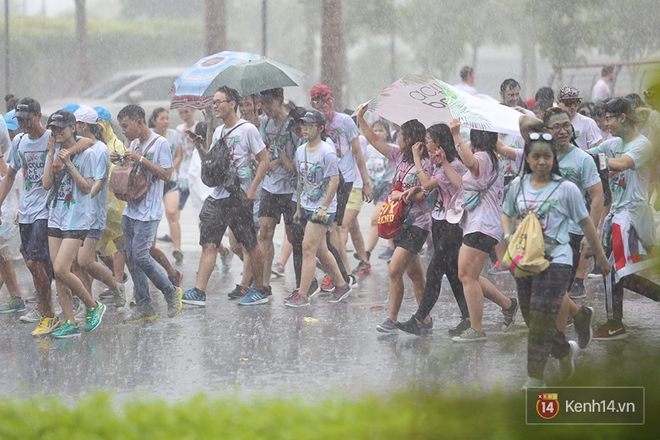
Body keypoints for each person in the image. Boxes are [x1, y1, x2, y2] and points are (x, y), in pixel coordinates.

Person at [501, 131, 610, 389]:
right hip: (526, 258)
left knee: (540, 316)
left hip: (558, 259)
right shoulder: (517, 185)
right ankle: (563, 351)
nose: (541, 161)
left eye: (547, 156)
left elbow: (585, 223)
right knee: (530, 315)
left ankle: (534, 377)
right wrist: (508, 236)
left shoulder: (567, 189)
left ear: (553, 159)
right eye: (536, 156)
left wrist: (601, 255)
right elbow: (506, 212)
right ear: (527, 158)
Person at [181, 86, 269, 307]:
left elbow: (264, 160)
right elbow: (212, 164)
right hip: (217, 195)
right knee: (209, 243)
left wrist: (252, 189)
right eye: (213, 102)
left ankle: (259, 289)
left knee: (249, 244)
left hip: (238, 196)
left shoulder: (248, 129)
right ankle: (200, 291)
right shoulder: (219, 131)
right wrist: (201, 147)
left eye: (219, 101)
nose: (215, 106)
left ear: (232, 104)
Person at [588, 98, 660, 339]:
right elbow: (588, 155)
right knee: (621, 272)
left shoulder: (642, 145)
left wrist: (597, 159)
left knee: (612, 268)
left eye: (609, 118)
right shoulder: (612, 143)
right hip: (618, 216)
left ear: (623, 118)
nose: (605, 123)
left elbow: (620, 165)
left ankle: (615, 323)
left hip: (633, 217)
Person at [357, 105, 431, 333]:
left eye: (400, 135)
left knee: (394, 270)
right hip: (400, 223)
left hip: (418, 225)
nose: (396, 138)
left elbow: (426, 192)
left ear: (410, 139)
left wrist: (405, 195)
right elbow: (374, 141)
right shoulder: (398, 157)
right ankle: (425, 320)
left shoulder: (426, 163)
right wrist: (361, 118)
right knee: (415, 273)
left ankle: (391, 318)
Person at [446, 118, 519, 342]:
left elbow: (470, 163)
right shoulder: (490, 159)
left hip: (482, 226)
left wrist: (456, 134)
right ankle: (508, 305)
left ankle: (477, 329)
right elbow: (462, 183)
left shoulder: (483, 157)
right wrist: (443, 163)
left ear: (477, 137)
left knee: (466, 276)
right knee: (471, 276)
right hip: (483, 225)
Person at [112, 104, 183, 323]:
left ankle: (170, 291)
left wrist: (141, 159)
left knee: (142, 255)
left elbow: (167, 175)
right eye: (121, 127)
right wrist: (122, 160)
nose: (123, 131)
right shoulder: (133, 143)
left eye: (126, 126)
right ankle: (144, 305)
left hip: (149, 211)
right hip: (131, 209)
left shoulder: (160, 143)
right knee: (131, 257)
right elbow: (134, 171)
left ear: (139, 122)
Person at [397, 123, 469, 336]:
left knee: (434, 271)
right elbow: (429, 186)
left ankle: (420, 319)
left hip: (452, 225)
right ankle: (468, 316)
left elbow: (429, 184)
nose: (424, 143)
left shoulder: (453, 164)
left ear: (438, 143)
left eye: (427, 140)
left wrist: (418, 159)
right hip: (438, 221)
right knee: (453, 273)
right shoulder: (438, 163)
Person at [42, 110, 105, 338]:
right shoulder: (55, 150)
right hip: (56, 216)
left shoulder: (87, 153)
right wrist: (51, 154)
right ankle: (70, 322)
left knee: (61, 267)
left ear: (72, 127)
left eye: (61, 128)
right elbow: (47, 184)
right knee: (57, 273)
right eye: (54, 129)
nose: (57, 132)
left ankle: (93, 305)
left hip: (77, 217)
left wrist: (68, 163)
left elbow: (87, 188)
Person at [0, 98, 58, 334]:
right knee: (33, 263)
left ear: (39, 115)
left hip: (46, 209)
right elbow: (10, 175)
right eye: (19, 119)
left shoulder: (51, 138)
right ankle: (43, 304)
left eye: (27, 118)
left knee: (35, 262)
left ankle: (49, 312)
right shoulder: (19, 142)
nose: (23, 123)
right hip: (25, 210)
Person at [284, 110, 351, 307]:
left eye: (310, 125)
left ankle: (302, 294)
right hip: (306, 205)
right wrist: (298, 208)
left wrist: (323, 207)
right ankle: (341, 284)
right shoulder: (300, 151)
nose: (304, 129)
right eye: (303, 125)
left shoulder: (327, 152)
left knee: (308, 248)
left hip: (322, 209)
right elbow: (300, 180)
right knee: (321, 250)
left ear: (320, 128)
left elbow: (334, 181)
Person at [310, 84, 371, 291]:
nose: (323, 105)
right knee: (329, 229)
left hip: (343, 180)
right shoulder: (313, 124)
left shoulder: (344, 121)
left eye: (326, 100)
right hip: (323, 182)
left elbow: (357, 153)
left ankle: (340, 273)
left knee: (333, 227)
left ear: (332, 100)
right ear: (312, 103)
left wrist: (366, 183)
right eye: (318, 101)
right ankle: (342, 272)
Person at [73, 106, 126, 311]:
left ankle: (115, 285)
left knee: (85, 261)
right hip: (76, 215)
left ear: (84, 125)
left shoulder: (101, 150)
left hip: (93, 214)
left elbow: (100, 182)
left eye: (75, 125)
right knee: (77, 264)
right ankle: (89, 305)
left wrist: (85, 197)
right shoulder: (78, 147)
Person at [256, 88, 298, 300]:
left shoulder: (294, 124)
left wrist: (280, 159)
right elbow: (264, 151)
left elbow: (298, 166)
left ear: (280, 101)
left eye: (269, 102)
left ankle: (303, 283)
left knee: (293, 236)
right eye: (262, 103)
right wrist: (268, 159)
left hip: (291, 189)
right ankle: (264, 286)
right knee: (265, 232)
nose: (265, 107)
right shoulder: (264, 123)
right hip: (270, 187)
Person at [150, 107, 184, 264]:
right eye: (162, 119)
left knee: (172, 213)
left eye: (167, 118)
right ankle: (151, 249)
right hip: (153, 183)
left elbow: (179, 154)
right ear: (153, 121)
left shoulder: (173, 135)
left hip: (170, 181)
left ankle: (177, 249)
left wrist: (171, 167)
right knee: (153, 216)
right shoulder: (149, 136)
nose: (165, 122)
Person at [363, 119, 397, 267]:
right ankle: (394, 249)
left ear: (387, 133)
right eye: (375, 130)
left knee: (375, 219)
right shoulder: (368, 150)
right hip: (375, 188)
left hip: (388, 186)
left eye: (381, 130)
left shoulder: (392, 149)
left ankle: (366, 255)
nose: (377, 133)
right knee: (388, 220)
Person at [0, 107, 23, 315]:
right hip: (7, 211)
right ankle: (16, 297)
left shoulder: (14, 151)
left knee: (8, 256)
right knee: (3, 257)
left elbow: (15, 182)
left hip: (10, 213)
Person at [556, 86, 602, 151]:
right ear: (558, 103)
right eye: (568, 103)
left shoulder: (588, 123)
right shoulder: (552, 123)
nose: (572, 106)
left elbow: (598, 148)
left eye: (575, 103)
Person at [175, 107, 198, 213]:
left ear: (193, 111)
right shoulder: (179, 129)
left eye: (186, 111)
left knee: (198, 199)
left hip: (196, 166)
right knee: (178, 202)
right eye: (181, 112)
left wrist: (191, 138)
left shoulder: (198, 126)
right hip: (184, 167)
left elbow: (202, 146)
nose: (184, 115)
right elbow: (178, 150)